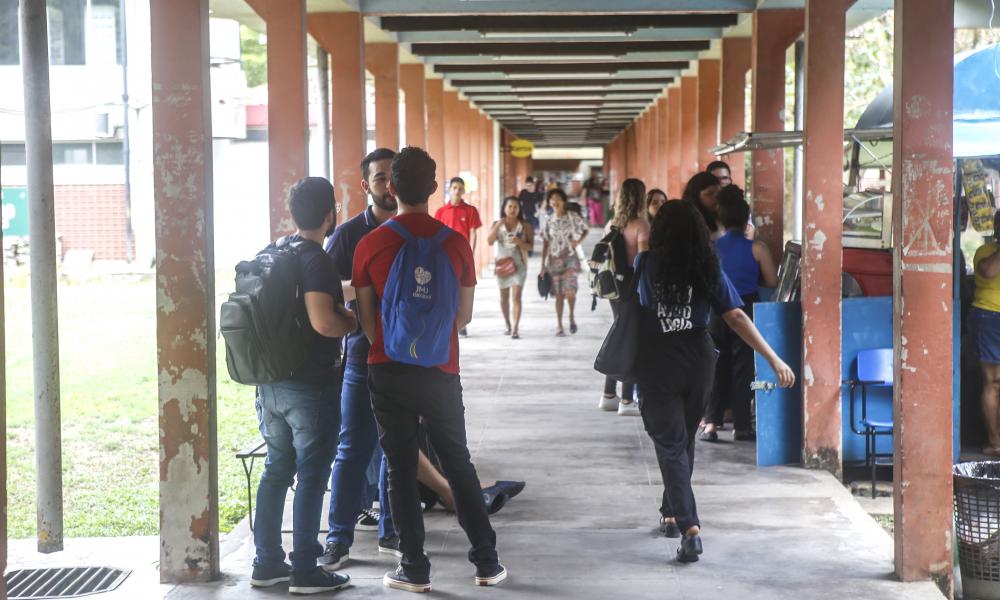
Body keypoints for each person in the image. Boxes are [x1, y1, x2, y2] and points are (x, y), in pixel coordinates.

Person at [353, 147, 506, 592]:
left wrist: (394, 341)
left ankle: (414, 570)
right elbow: (463, 318)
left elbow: (366, 321)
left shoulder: (370, 244)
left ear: (392, 187)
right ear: (434, 188)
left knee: (400, 466)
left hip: (388, 368)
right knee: (458, 463)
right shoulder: (455, 243)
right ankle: (486, 562)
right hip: (441, 369)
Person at [635, 200, 794, 563]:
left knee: (671, 443)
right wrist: (773, 358)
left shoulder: (645, 264)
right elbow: (736, 316)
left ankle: (690, 528)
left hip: (658, 360)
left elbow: (642, 306)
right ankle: (671, 510)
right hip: (698, 360)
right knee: (681, 440)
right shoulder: (707, 266)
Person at [250, 177, 358, 594]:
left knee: (277, 469)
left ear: (293, 213)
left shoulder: (274, 250)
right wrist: (353, 319)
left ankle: (267, 563)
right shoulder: (317, 258)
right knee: (312, 475)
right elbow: (323, 320)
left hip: (270, 384)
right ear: (331, 214)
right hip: (310, 386)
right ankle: (308, 571)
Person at [320, 148, 400, 571]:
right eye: (381, 178)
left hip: (406, 359)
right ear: (366, 185)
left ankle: (392, 531)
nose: (389, 185)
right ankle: (338, 538)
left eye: (394, 177)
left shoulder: (414, 231)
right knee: (352, 448)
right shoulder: (349, 235)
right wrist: (363, 288)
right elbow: (326, 290)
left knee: (397, 449)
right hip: (360, 358)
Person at [700, 185, 779, 443]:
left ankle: (711, 423)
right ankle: (742, 426)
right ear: (746, 219)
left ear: (720, 217)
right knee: (743, 368)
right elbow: (771, 281)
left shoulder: (711, 248)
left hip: (715, 310)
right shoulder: (758, 249)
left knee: (716, 366)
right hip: (746, 309)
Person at [599, 178, 650, 417]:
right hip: (634, 286)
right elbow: (644, 260)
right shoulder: (641, 225)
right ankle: (627, 400)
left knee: (621, 333)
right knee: (632, 338)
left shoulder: (611, 224)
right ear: (641, 198)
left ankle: (609, 395)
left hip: (614, 287)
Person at [434, 176, 483, 336]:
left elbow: (474, 233)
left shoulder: (470, 210)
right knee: (446, 288)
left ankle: (461, 324)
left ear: (463, 191)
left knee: (461, 289)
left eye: (460, 188)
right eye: (454, 187)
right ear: (449, 189)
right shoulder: (440, 212)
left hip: (462, 257)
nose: (457, 191)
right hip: (443, 258)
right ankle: (449, 320)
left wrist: (471, 253)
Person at [540, 187, 589, 336]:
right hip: (554, 261)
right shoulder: (549, 221)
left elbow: (586, 228)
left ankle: (572, 316)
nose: (555, 202)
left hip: (570, 259)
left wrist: (578, 241)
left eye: (558, 199)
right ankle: (560, 325)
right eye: (552, 199)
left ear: (563, 201)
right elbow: (546, 243)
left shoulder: (572, 216)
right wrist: (543, 265)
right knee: (559, 295)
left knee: (571, 292)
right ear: (549, 202)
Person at [972, 210, 1000, 455]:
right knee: (993, 381)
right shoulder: (985, 252)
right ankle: (995, 442)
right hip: (989, 318)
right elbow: (989, 272)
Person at [488, 196, 533, 339]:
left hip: (519, 265)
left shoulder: (525, 225)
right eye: (510, 206)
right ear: (504, 208)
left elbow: (531, 246)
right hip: (503, 265)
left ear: (519, 209)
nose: (513, 209)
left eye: (515, 207)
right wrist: (497, 225)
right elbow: (489, 241)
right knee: (504, 297)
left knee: (516, 296)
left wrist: (520, 242)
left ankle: (515, 328)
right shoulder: (497, 223)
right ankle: (507, 323)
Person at [682, 172, 723, 239]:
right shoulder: (687, 223)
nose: (716, 198)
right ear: (695, 196)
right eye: (710, 194)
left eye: (719, 193)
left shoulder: (721, 220)